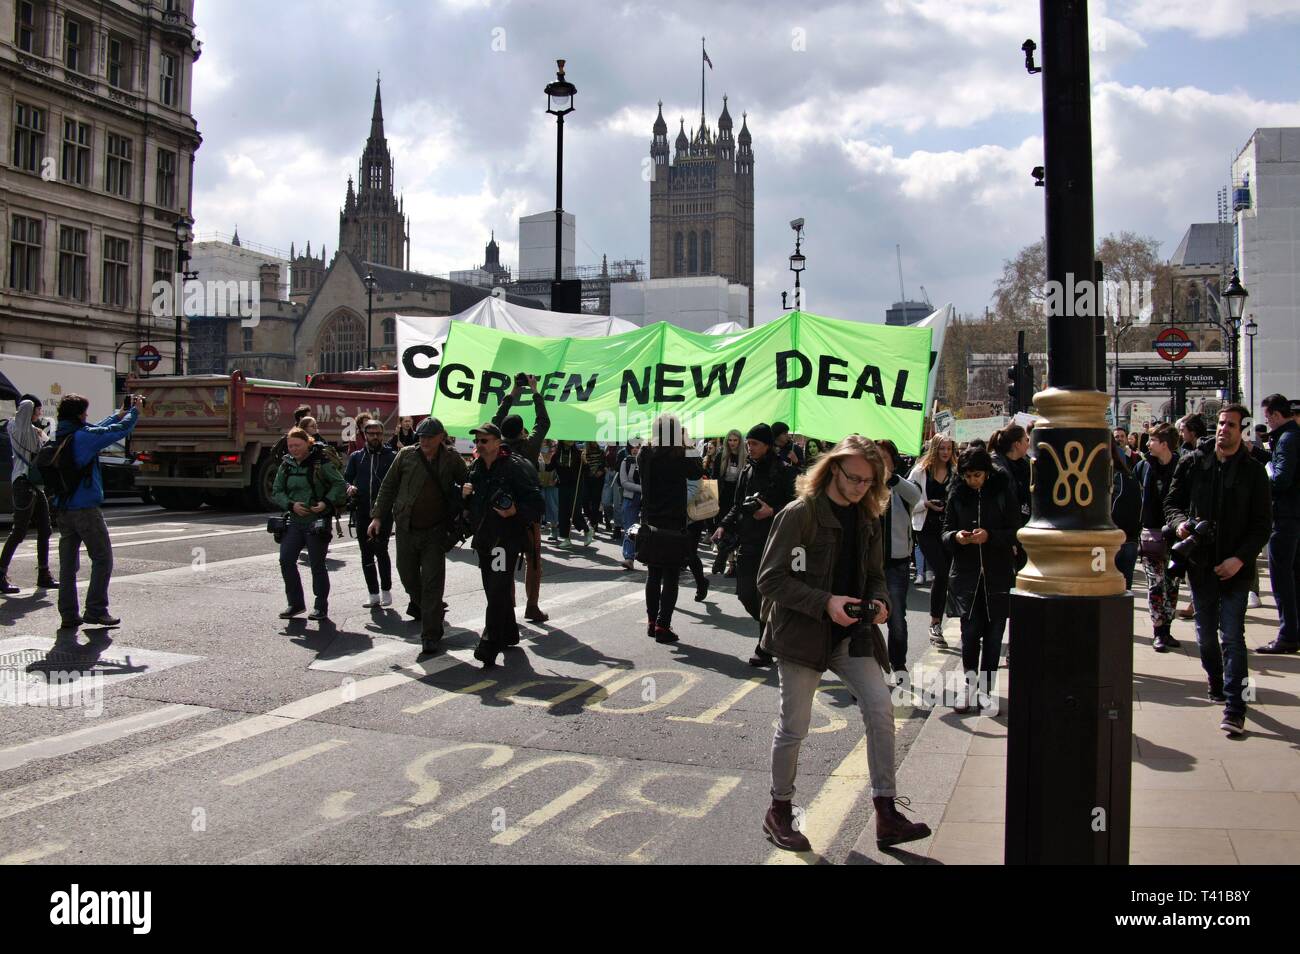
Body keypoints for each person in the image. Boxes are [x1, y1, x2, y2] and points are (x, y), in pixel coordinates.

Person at [756, 434, 931, 852]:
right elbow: (770, 579)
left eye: (869, 482)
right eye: (853, 478)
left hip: (852, 635)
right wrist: (825, 602)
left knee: (881, 709)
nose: (859, 488)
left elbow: (875, 573)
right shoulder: (800, 514)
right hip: (802, 635)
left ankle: (886, 812)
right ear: (833, 469)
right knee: (794, 726)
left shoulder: (868, 517)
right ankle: (779, 810)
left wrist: (881, 602)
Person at [1164, 405, 1272, 736]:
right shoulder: (1194, 462)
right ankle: (1215, 680)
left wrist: (1240, 559)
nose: (1224, 429)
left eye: (1231, 425)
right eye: (1221, 423)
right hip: (1200, 565)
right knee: (1206, 636)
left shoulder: (1253, 472)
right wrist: (1182, 525)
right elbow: (1171, 504)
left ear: (1242, 430)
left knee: (1233, 637)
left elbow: (1261, 525)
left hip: (1236, 568)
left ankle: (1236, 706)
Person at [370, 417, 468, 653]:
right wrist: (377, 517)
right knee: (408, 577)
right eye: (421, 436)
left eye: (429, 437)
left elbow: (467, 482)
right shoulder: (406, 455)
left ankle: (431, 633)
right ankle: (429, 607)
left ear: (441, 437)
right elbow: (388, 486)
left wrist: (466, 493)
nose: (423, 440)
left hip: (436, 531)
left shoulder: (452, 458)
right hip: (406, 528)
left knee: (433, 582)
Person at [49, 393, 141, 629]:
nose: (87, 415)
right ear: (79, 414)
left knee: (68, 565)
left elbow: (97, 428)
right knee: (102, 558)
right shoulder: (82, 437)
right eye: (85, 412)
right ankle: (96, 609)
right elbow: (113, 432)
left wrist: (120, 412)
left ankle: (68, 614)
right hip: (85, 509)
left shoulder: (62, 434)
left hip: (63, 508)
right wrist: (135, 413)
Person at [712, 423, 797, 667]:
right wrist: (723, 526)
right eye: (748, 443)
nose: (750, 447)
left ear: (767, 445)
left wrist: (772, 511)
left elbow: (798, 508)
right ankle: (774, 632)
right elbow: (738, 505)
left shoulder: (784, 471)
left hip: (775, 542)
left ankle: (764, 647)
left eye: (755, 443)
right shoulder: (746, 472)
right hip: (749, 541)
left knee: (767, 594)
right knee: (746, 594)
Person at [943, 446, 1018, 714]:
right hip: (967, 576)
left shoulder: (1002, 491)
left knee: (994, 637)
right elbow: (945, 531)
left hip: (997, 575)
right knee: (970, 634)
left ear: (986, 472)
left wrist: (991, 536)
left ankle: (986, 692)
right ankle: (969, 686)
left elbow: (1016, 531)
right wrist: (957, 537)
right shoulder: (956, 494)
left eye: (977, 475)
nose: (972, 480)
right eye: (967, 476)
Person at [462, 422, 543, 668]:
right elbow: (473, 506)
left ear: (497, 442)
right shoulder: (476, 467)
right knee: (492, 587)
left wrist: (515, 513)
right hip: (485, 539)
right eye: (477, 441)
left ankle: (489, 644)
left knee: (497, 589)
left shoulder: (515, 467)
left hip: (505, 541)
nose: (479, 445)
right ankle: (508, 632)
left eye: (483, 441)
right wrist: (465, 496)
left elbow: (538, 505)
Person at [636, 414, 704, 643]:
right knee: (671, 575)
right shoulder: (681, 454)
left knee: (653, 572)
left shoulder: (644, 453)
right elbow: (698, 471)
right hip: (674, 521)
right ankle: (663, 625)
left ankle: (651, 621)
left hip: (651, 519)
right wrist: (688, 442)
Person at [492, 374, 551, 623]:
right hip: (527, 514)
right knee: (533, 559)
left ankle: (507, 606)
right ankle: (532, 606)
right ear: (521, 432)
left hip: (500, 512)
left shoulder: (494, 447)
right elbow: (543, 422)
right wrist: (535, 391)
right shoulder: (529, 447)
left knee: (502, 561)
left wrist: (513, 392)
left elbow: (495, 419)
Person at [272, 426, 347, 621]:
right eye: (290, 446)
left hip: (317, 521)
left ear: (308, 443)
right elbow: (277, 491)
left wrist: (325, 503)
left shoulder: (321, 463)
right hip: (295, 521)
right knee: (286, 560)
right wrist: (291, 505)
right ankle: (295, 603)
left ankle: (320, 606)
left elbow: (340, 484)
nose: (293, 449)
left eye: (297, 445)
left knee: (317, 564)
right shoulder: (286, 465)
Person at [0, 397, 57, 594]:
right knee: (19, 531)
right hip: (23, 483)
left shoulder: (34, 431)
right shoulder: (18, 427)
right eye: (37, 410)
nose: (40, 413)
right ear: (29, 410)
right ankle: (0, 574)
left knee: (45, 529)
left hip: (35, 484)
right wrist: (30, 405)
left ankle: (44, 573)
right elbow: (24, 407)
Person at [1257, 393, 1299, 654]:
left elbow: (1281, 478)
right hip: (1295, 515)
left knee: (1282, 577)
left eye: (1267, 417)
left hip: (1284, 517)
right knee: (1294, 576)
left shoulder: (1286, 439)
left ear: (1274, 414)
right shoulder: (1293, 436)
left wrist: (1265, 472)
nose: (1267, 423)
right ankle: (1293, 630)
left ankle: (1287, 634)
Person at [877, 439, 923, 677]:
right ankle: (866, 674)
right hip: (869, 564)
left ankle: (899, 665)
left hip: (896, 563)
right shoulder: (864, 486)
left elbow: (916, 496)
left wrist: (890, 478)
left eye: (883, 458)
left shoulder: (902, 486)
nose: (879, 463)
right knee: (865, 622)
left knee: (896, 619)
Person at [1138, 422, 1184, 653]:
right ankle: (1158, 631)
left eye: (1152, 440)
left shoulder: (1183, 466)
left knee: (1172, 584)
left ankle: (1167, 627)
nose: (1147, 444)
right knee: (1155, 583)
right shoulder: (1145, 466)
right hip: (1152, 532)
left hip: (1176, 534)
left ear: (1164, 444)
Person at [908, 435, 956, 648]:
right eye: (942, 448)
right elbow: (907, 497)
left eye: (949, 448)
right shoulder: (920, 471)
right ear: (934, 449)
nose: (945, 452)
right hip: (926, 529)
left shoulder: (956, 471)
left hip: (948, 529)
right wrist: (925, 504)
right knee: (942, 571)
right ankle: (935, 622)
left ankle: (959, 620)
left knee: (950, 575)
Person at [344, 419, 396, 607]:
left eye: (378, 433)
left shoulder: (392, 456)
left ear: (383, 435)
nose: (375, 437)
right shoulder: (357, 457)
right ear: (364, 435)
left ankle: (386, 590)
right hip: (362, 511)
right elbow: (346, 479)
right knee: (366, 552)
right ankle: (372, 593)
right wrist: (349, 487)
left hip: (383, 513)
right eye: (371, 433)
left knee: (381, 550)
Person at [990, 425, 1032, 571]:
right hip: (1004, 534)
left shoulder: (1025, 465)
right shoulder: (998, 468)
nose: (1029, 443)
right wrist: (1010, 540)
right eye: (1026, 440)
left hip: (1020, 531)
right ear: (1017, 444)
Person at [709, 429, 747, 574]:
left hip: (738, 497)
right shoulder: (721, 456)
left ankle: (730, 560)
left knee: (737, 530)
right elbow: (714, 477)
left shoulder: (745, 457)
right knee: (725, 529)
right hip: (723, 496)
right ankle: (730, 563)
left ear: (740, 441)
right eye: (730, 440)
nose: (732, 443)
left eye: (735, 440)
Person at [1110, 439, 1142, 590]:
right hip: (1129, 540)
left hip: (1112, 542)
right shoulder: (1128, 476)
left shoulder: (1114, 477)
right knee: (1123, 595)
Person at [547, 440, 590, 547]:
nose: (570, 440)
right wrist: (538, 462)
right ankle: (566, 538)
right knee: (563, 512)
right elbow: (549, 468)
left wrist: (585, 462)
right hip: (562, 486)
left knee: (575, 512)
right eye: (568, 438)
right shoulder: (557, 454)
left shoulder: (579, 453)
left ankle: (587, 530)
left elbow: (587, 471)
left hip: (576, 486)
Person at [618, 438, 643, 570]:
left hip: (647, 500)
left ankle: (648, 556)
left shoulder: (648, 461)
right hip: (630, 498)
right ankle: (629, 557)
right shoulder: (626, 461)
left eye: (638, 447)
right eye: (633, 447)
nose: (635, 449)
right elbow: (624, 482)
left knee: (647, 529)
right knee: (630, 528)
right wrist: (642, 489)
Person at [538, 439, 560, 541]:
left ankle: (554, 530)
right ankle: (536, 531)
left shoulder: (555, 448)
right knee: (538, 508)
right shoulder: (536, 447)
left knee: (553, 507)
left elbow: (558, 467)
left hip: (552, 482)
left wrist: (556, 479)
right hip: (539, 482)